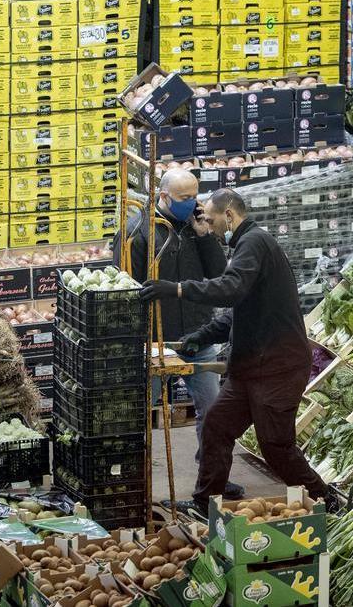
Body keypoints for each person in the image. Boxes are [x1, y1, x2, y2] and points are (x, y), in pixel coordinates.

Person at [139, 188, 326, 514]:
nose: (207, 226)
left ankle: (326, 499)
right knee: (217, 426)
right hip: (251, 367)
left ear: (229, 215)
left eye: (210, 220)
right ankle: (204, 503)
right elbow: (238, 307)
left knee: (276, 447)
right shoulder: (246, 245)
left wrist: (178, 289)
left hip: (277, 367)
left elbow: (229, 290)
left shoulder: (255, 243)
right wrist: (202, 335)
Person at [112, 169, 244, 499]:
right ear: (164, 196)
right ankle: (131, 479)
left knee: (212, 411)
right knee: (141, 412)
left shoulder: (199, 226)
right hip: (154, 339)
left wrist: (204, 236)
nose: (193, 204)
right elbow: (124, 288)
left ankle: (214, 476)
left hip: (197, 336)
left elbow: (218, 275)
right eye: (185, 198)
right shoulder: (137, 233)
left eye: (195, 196)